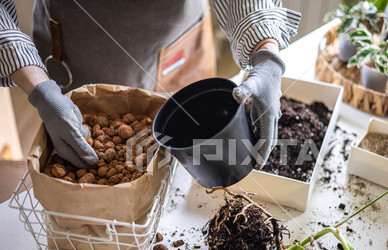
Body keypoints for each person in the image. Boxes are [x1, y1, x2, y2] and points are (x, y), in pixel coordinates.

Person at [0, 0, 300, 169]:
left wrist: (267, 52)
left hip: (178, 45)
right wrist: (40, 89)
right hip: (74, 51)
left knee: (188, 154)